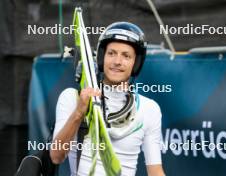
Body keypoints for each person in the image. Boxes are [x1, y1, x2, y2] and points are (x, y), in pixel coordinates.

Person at [50, 22, 165, 176]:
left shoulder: (149, 109)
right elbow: (56, 156)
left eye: (126, 56)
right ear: (102, 57)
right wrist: (79, 113)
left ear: (135, 63)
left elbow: (155, 171)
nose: (117, 61)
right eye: (111, 53)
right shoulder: (72, 97)